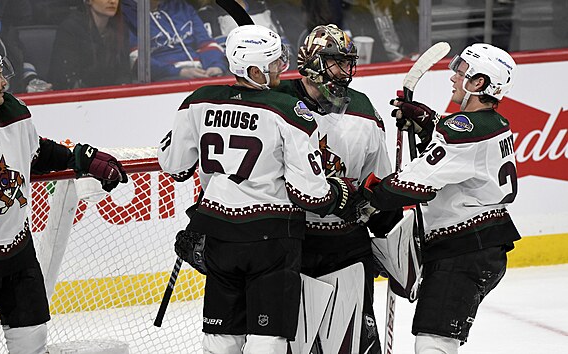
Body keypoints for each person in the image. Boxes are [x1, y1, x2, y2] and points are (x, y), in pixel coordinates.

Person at [158, 24, 365, 354]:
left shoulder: (197, 101)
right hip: (272, 242)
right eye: (273, 64)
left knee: (220, 337)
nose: (281, 68)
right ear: (254, 71)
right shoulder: (289, 112)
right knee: (268, 338)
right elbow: (309, 195)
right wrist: (339, 194)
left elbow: (174, 165)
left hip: (219, 238)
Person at [0, 45, 128, 354]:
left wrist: (78, 158)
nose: (4, 82)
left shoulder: (14, 113)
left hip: (18, 254)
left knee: (32, 347)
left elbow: (34, 152)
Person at [358, 43, 520, 353]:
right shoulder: (493, 124)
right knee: (438, 340)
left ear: (478, 83)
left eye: (461, 73)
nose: (453, 78)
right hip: (480, 247)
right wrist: (427, 123)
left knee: (435, 343)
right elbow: (455, 159)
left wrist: (370, 193)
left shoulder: (465, 129)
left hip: (464, 252)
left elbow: (418, 183)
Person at [273, 23, 400, 353]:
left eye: (348, 62)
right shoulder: (276, 102)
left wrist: (391, 241)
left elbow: (379, 186)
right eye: (335, 62)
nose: (345, 71)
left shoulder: (364, 112)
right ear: (313, 61)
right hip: (291, 244)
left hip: (347, 247)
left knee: (354, 345)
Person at [121, 0, 226, 82]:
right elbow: (136, 59)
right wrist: (179, 72)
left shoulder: (181, 6)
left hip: (201, 73)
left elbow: (206, 43)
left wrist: (215, 65)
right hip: (163, 80)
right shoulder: (125, 13)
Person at [49, 0, 132, 90]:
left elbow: (124, 73)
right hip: (78, 98)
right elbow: (66, 80)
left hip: (111, 98)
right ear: (88, 1)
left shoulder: (120, 29)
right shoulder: (71, 29)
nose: (112, 1)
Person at [196, 0, 294, 68]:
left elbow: (283, 44)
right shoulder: (208, 13)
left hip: (277, 69)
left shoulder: (261, 6)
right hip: (244, 76)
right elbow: (219, 52)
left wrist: (283, 62)